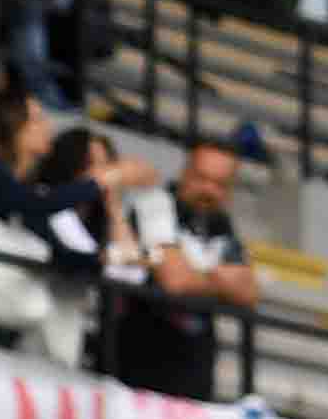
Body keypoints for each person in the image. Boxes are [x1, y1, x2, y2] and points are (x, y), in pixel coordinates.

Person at [104, 129, 263, 399]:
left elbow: (248, 292)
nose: (209, 190)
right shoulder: (153, 205)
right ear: (185, 173)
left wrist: (194, 276)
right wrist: (218, 281)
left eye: (220, 184)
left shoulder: (222, 225)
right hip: (134, 373)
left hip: (193, 383)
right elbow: (174, 281)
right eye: (202, 178)